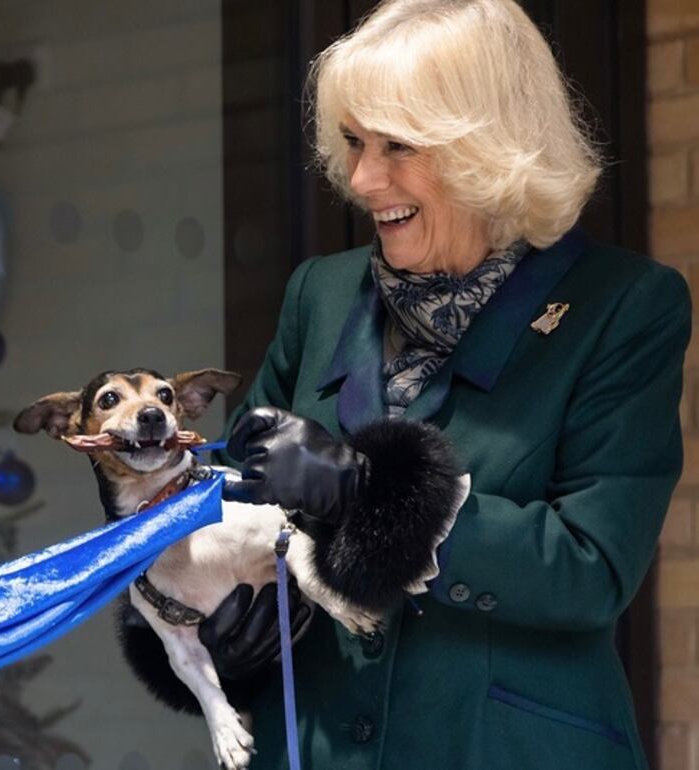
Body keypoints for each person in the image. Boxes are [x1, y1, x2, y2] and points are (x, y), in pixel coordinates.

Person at [198, 1, 692, 768]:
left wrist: (366, 496)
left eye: (398, 145)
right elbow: (238, 500)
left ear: (488, 148)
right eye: (356, 142)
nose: (363, 178)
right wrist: (219, 617)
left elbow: (591, 566)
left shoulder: (621, 305)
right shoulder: (318, 295)